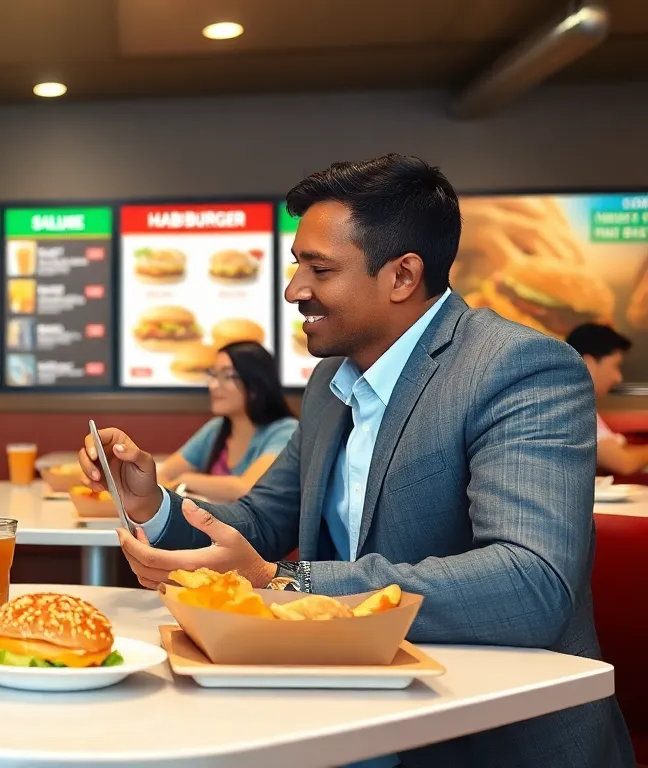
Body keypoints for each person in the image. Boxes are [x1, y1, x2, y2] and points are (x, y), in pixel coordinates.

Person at [79, 155, 633, 768]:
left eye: (319, 269)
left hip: (486, 736)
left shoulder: (518, 367)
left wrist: (285, 585)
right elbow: (260, 521)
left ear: (401, 276)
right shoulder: (328, 383)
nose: (294, 291)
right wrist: (153, 504)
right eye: (297, 267)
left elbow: (531, 583)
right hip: (352, 715)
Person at [156, 341, 297, 502]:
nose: (213, 385)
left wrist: (186, 480)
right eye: (213, 375)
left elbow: (248, 487)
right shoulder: (216, 429)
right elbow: (162, 476)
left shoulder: (285, 430)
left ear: (256, 386)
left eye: (228, 376)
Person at [565, 322, 648, 476]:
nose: (618, 377)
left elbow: (614, 450)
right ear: (587, 362)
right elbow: (623, 463)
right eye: (615, 366)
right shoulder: (568, 405)